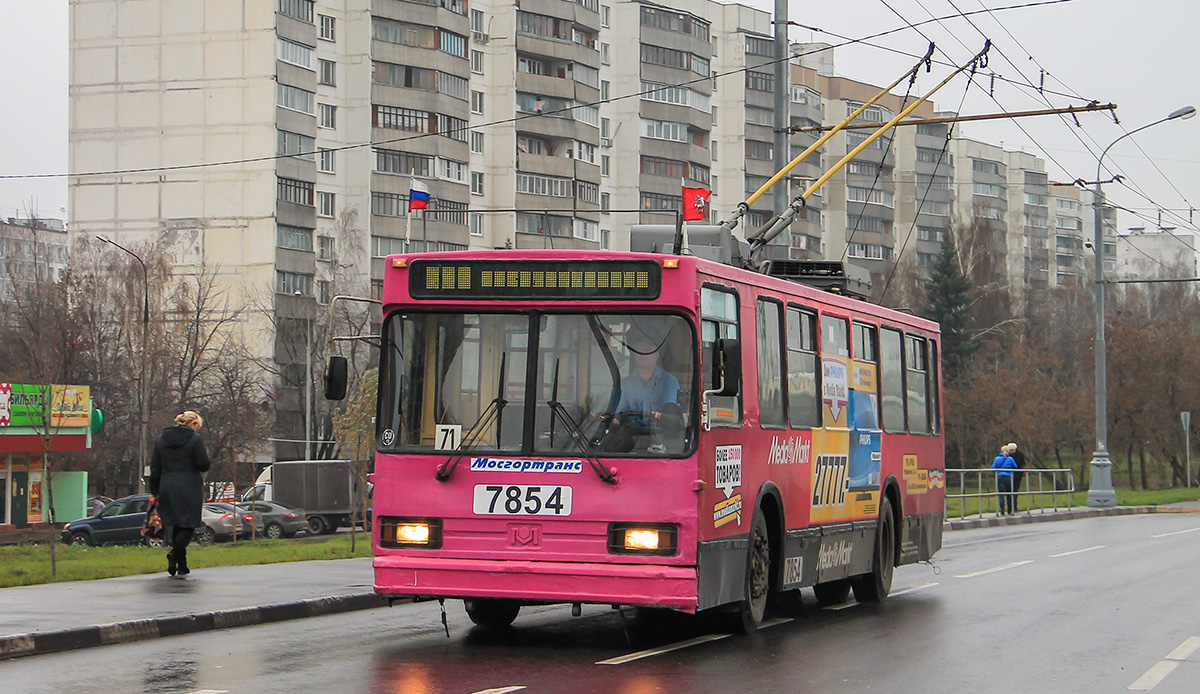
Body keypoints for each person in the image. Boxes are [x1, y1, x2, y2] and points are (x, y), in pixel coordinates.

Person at [149, 411, 212, 577]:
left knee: (176, 524)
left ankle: (182, 565)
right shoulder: (194, 439)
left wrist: (154, 490)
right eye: (196, 426)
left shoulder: (161, 439)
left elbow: (155, 467)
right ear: (192, 424)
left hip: (167, 485)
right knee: (189, 524)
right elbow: (203, 464)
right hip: (188, 486)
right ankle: (174, 554)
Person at [991, 445, 1018, 516]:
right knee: (1009, 494)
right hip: (1008, 477)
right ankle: (1009, 510)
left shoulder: (997, 459)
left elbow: (993, 469)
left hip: (1000, 477)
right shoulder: (1010, 459)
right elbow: (1015, 467)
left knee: (1001, 494)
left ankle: (1002, 510)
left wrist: (997, 471)